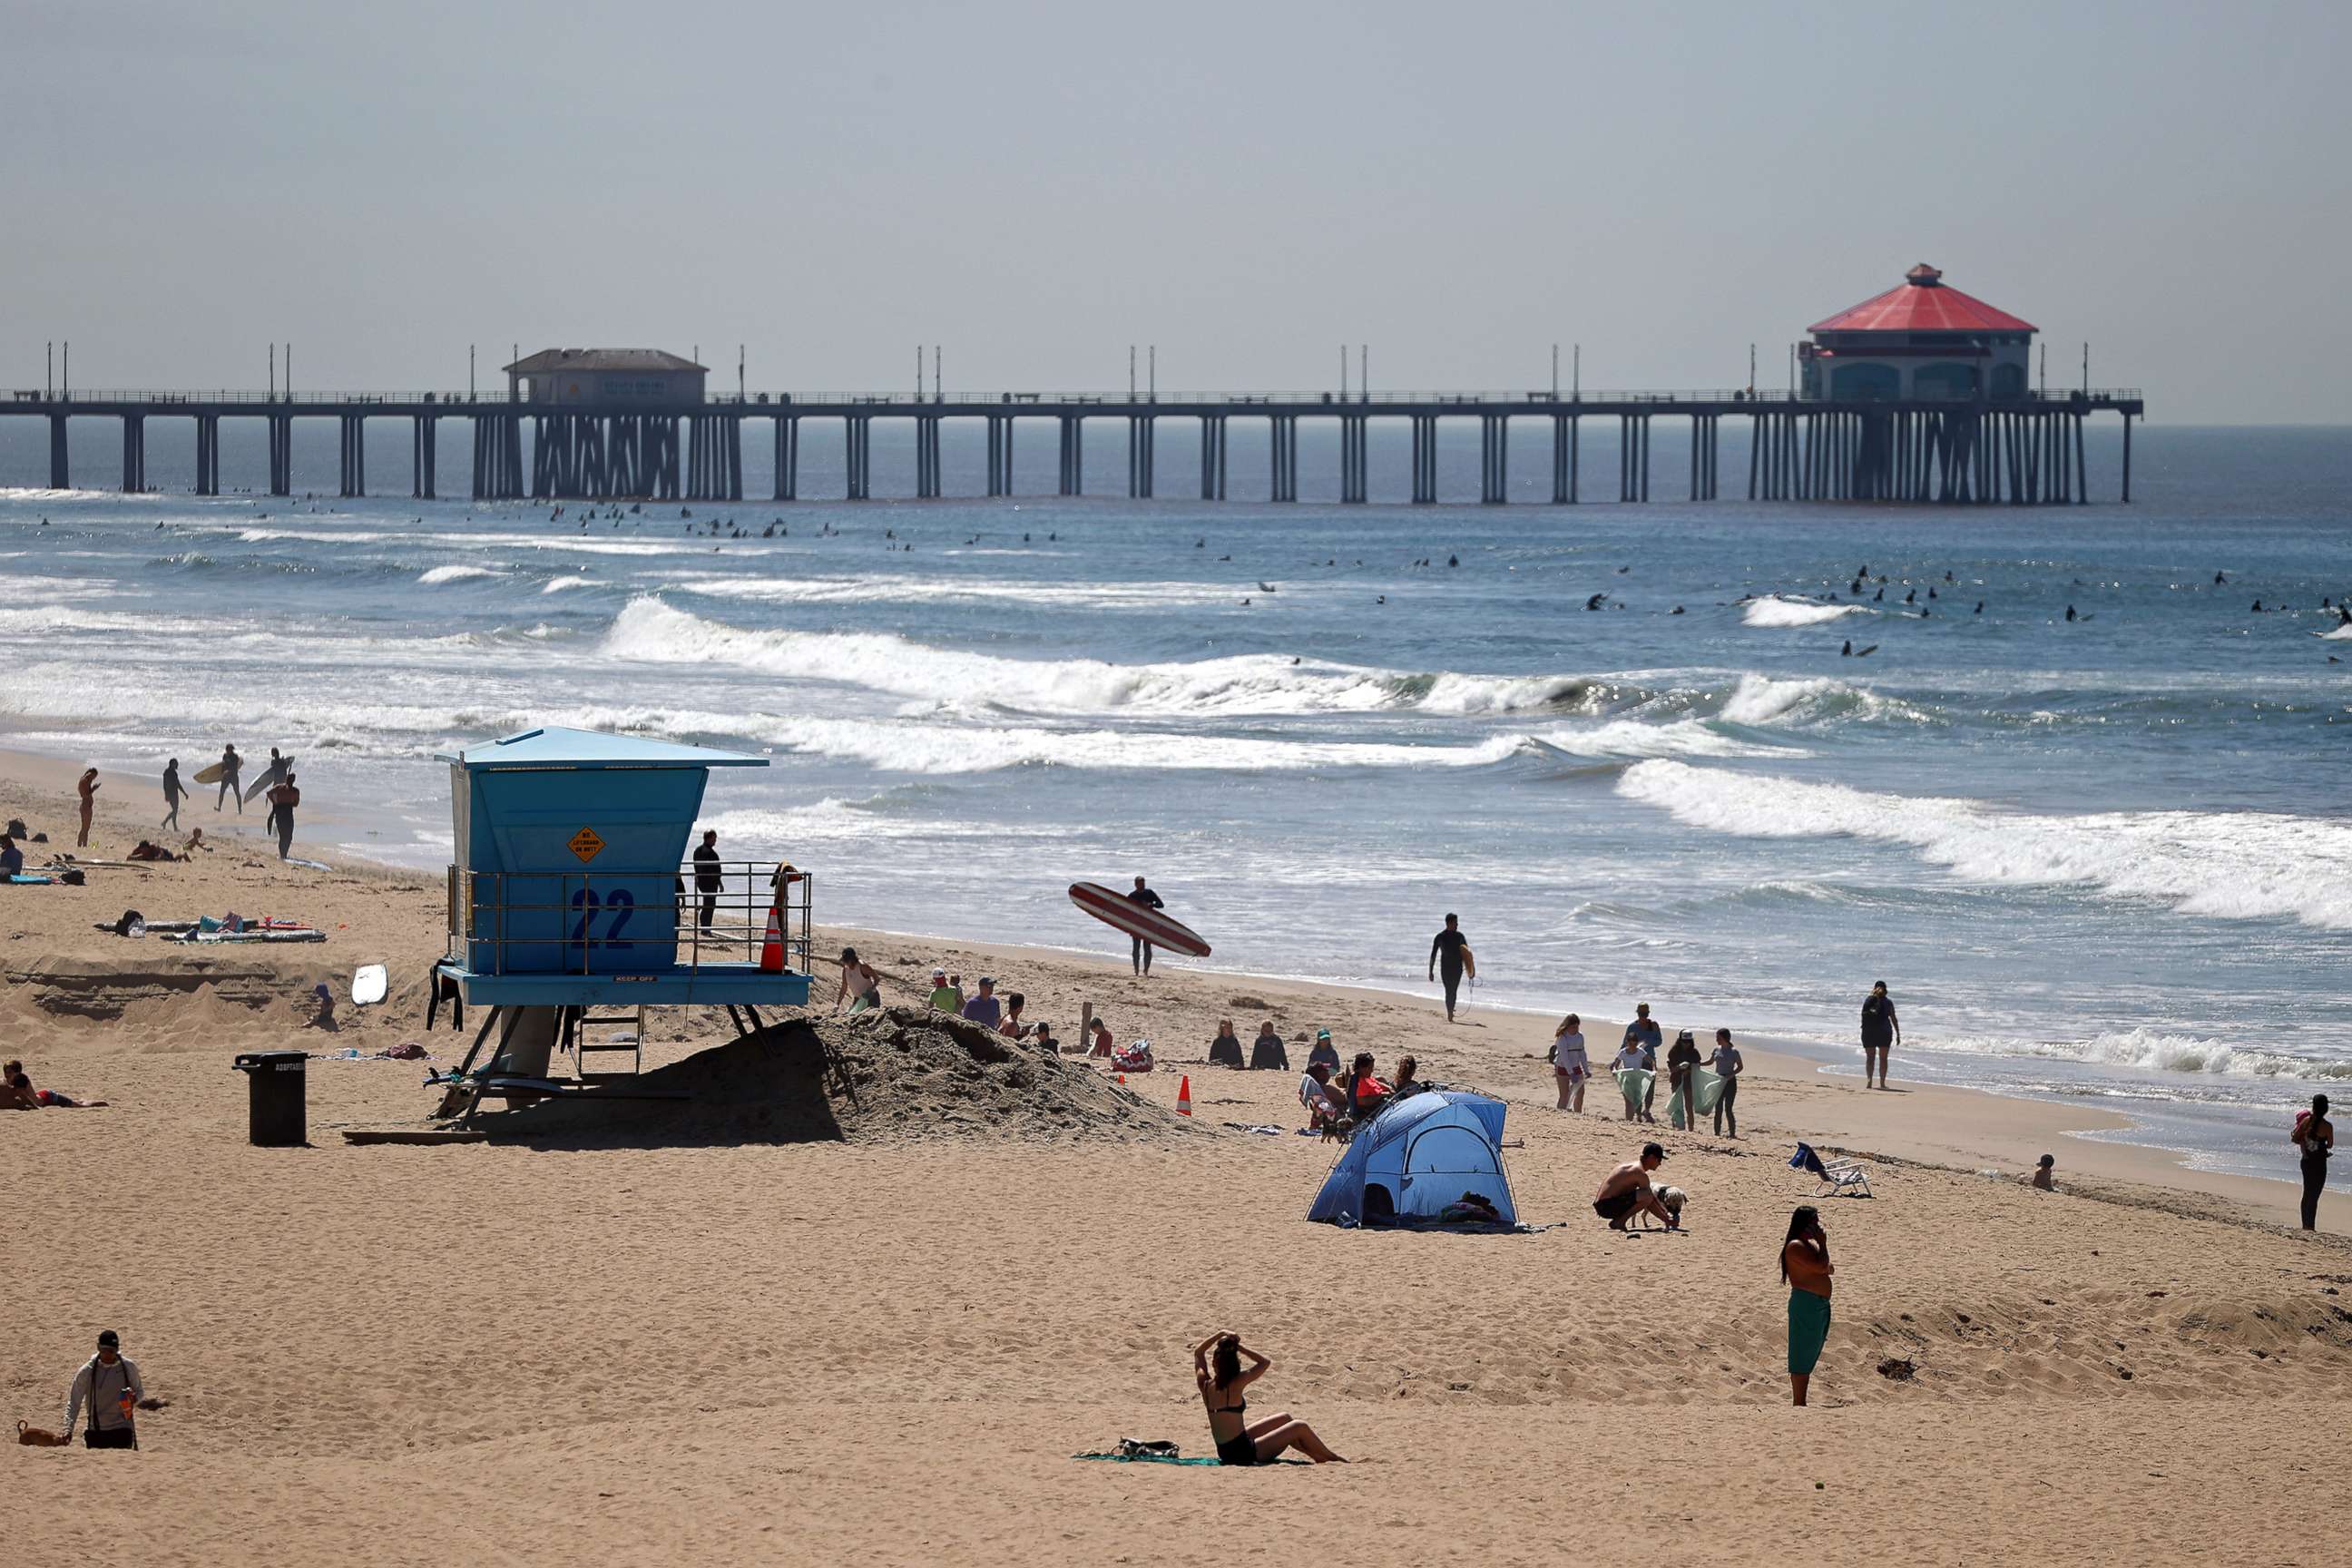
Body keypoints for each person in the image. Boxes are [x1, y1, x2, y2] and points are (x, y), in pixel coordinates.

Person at [1192, 1332, 1343, 1465]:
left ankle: (1316, 1456)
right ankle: (1333, 1458)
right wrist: (1239, 1347)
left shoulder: (1204, 1384)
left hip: (1226, 1450)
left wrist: (1221, 1334)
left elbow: (1199, 1352)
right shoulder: (1237, 1383)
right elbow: (1265, 1362)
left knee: (1285, 1418)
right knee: (1299, 1426)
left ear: (1214, 1364)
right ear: (1235, 1364)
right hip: (1244, 1454)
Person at [1782, 1206, 1834, 1406]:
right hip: (1806, 1303)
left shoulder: (1807, 1245)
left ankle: (1801, 1400)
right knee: (1801, 1352)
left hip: (1818, 1304)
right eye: (1814, 1221)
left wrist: (1822, 1261)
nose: (1817, 1226)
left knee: (1811, 1349)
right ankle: (1799, 1401)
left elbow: (1826, 1267)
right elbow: (1823, 1267)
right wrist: (1823, 1243)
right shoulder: (1796, 1245)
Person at [64, 1329, 144, 1448]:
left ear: (117, 1350)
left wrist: (134, 1399)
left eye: (111, 1351)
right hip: (96, 1432)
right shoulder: (87, 1371)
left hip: (122, 1430)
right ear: (98, 1348)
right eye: (103, 1350)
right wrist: (68, 1429)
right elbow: (74, 1401)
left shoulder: (128, 1367)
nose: (107, 1355)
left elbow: (140, 1391)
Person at [1592, 1142, 1676, 1230]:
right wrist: (1666, 1220)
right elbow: (1649, 1199)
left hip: (1602, 1205)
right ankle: (1620, 1222)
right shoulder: (1639, 1172)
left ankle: (1618, 1221)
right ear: (1651, 1158)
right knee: (1646, 1195)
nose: (1660, 1164)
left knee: (1647, 1195)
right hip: (1605, 1207)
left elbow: (1652, 1198)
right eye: (1659, 1160)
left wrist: (1664, 1213)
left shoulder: (1634, 1167)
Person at [2295, 1094, 2334, 1231]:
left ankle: (2306, 1224)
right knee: (2314, 1196)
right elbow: (2330, 1145)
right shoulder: (2328, 1126)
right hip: (2319, 1163)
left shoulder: (2306, 1121)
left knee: (2306, 1193)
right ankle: (2310, 1226)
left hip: (2306, 1161)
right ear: (2326, 1108)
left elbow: (2295, 1137)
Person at [5, 1060, 105, 1109]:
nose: (7, 1074)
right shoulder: (10, 1081)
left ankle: (94, 1102)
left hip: (49, 1097)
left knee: (79, 1106)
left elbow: (25, 1097)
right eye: (5, 1072)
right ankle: (81, 1101)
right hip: (42, 1097)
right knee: (74, 1103)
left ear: (17, 1072)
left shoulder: (21, 1080)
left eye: (9, 1072)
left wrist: (36, 1108)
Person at [1427, 914, 1472, 1023]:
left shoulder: (1460, 936)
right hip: (1445, 969)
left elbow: (1467, 954)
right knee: (1449, 990)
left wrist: (1470, 970)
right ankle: (1450, 1012)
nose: (1457, 925)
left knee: (1454, 991)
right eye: (1455, 923)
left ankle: (1451, 1010)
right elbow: (1433, 954)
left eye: (1457, 923)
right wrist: (1431, 971)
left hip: (1457, 969)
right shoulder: (1440, 937)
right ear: (1449, 923)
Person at [1623, 1004, 1662, 1122]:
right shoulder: (1632, 1026)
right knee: (1637, 1088)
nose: (1643, 1017)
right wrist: (1619, 1058)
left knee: (1650, 1087)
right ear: (1637, 1014)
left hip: (1649, 1059)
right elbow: (1625, 1043)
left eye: (1645, 1015)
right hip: (1636, 1061)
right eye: (1641, 1014)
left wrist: (1647, 1042)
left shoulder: (1654, 1026)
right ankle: (1638, 1113)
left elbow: (1659, 1041)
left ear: (1648, 1014)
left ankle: (1647, 1110)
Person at [1861, 981, 1899, 1090]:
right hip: (1884, 1032)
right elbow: (1893, 1019)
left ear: (1874, 988)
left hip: (1869, 1032)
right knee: (1883, 1059)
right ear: (1886, 990)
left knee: (1870, 1058)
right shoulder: (1888, 1002)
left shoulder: (1868, 1001)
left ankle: (1869, 1080)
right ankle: (1882, 1083)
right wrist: (1898, 1034)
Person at [1124, 876, 1165, 975]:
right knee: (1136, 948)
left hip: (1148, 924)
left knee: (1147, 948)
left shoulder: (1149, 893)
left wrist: (1152, 904)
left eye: (1143, 883)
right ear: (1135, 884)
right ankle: (1136, 970)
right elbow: (1126, 910)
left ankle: (1146, 970)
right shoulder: (1132, 896)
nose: (1142, 885)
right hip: (1136, 924)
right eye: (1140, 883)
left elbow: (1161, 904)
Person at [1708, 1028, 1744, 1138]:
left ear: (1724, 1038)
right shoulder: (1716, 1050)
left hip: (1730, 1082)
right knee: (1718, 1108)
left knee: (1728, 1108)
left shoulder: (1734, 1051)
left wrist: (1730, 1075)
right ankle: (1717, 1133)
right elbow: (1710, 1062)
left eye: (1718, 1037)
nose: (1716, 1040)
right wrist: (1698, 1064)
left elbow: (1740, 1067)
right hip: (1718, 1080)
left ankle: (1732, 1133)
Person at [1550, 1013, 1588, 1112]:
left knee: (1580, 1092)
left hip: (1576, 1067)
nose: (1575, 1029)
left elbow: (1582, 1054)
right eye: (1573, 1027)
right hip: (1563, 1067)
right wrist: (1571, 1073)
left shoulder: (1580, 1037)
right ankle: (1560, 1114)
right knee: (1564, 1095)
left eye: (1577, 1027)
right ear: (1568, 1026)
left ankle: (1577, 1113)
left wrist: (1586, 1069)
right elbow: (1565, 1057)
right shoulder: (1562, 1038)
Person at [1666, 1030, 1702, 1130]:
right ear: (1680, 1041)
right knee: (1676, 1105)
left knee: (1689, 1106)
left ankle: (1691, 1129)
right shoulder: (1673, 1052)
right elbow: (1672, 1069)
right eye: (1684, 1042)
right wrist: (1680, 1068)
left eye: (1689, 1042)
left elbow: (1697, 1067)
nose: (1687, 1044)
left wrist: (1689, 1070)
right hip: (1676, 1080)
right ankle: (1677, 1127)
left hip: (1689, 1082)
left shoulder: (1694, 1053)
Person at [1609, 1035, 1649, 1122]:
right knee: (1628, 1101)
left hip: (1637, 1079)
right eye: (1630, 1043)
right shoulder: (1623, 1052)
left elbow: (1651, 1060)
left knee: (1636, 1100)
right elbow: (1616, 1064)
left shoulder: (1640, 1052)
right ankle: (1628, 1120)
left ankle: (1636, 1116)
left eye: (1635, 1044)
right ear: (1627, 1043)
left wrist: (1654, 1070)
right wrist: (1615, 1070)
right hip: (1626, 1078)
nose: (1632, 1046)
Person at [834, 946, 882, 1013]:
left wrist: (872, 989)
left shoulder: (862, 966)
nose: (846, 963)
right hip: (858, 998)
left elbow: (877, 978)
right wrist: (837, 1003)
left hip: (871, 998)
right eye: (845, 961)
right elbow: (844, 987)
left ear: (852, 959)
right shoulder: (845, 969)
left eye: (847, 961)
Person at [265, 770, 300, 860]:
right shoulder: (279, 788)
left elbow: (296, 804)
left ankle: (284, 854)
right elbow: (268, 794)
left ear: (293, 781)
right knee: (283, 836)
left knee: (289, 836)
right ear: (286, 779)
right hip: (281, 813)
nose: (290, 781)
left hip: (287, 813)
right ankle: (282, 855)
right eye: (289, 779)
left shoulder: (295, 791)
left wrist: (276, 802)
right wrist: (275, 802)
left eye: (291, 780)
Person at [691, 829, 722, 931]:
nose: (715, 841)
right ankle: (705, 927)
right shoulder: (708, 852)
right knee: (710, 904)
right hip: (709, 882)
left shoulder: (698, 850)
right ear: (708, 838)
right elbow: (712, 869)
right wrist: (719, 882)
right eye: (714, 839)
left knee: (708, 903)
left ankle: (705, 925)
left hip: (703, 882)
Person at [1299, 1062, 1340, 1132]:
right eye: (1326, 1070)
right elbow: (1345, 1098)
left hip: (1330, 1118)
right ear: (1321, 1075)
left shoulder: (1315, 1091)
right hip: (1340, 1119)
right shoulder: (1326, 1089)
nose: (1328, 1072)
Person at [1348, 1053, 1392, 1118]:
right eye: (1369, 1068)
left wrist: (1389, 1088)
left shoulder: (1365, 1077)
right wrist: (1382, 1094)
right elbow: (1364, 1102)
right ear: (1361, 1067)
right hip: (1375, 1108)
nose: (1372, 1070)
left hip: (1384, 1098)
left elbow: (1376, 1082)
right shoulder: (1359, 1083)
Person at [76, 767, 99, 848]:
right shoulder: (85, 781)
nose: (94, 778)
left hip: (86, 806)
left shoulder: (86, 780)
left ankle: (83, 844)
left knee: (85, 828)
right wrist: (93, 789)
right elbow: (85, 794)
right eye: (94, 776)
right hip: (86, 806)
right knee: (85, 828)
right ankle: (81, 845)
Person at [216, 743, 241, 812]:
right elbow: (223, 765)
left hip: (234, 777)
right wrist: (221, 775)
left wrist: (228, 771)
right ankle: (219, 807)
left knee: (237, 792)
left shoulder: (235, 757)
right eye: (227, 750)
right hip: (226, 778)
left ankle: (239, 809)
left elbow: (235, 767)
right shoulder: (225, 756)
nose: (228, 751)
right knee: (222, 792)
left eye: (230, 750)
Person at [161, 759, 182, 831]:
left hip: (172, 793)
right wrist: (166, 794)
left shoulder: (167, 772)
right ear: (172, 764)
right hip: (173, 794)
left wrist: (166, 794)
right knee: (175, 810)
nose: (177, 765)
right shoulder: (171, 773)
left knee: (174, 810)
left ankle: (172, 826)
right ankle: (166, 823)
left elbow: (165, 785)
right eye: (176, 764)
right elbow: (177, 784)